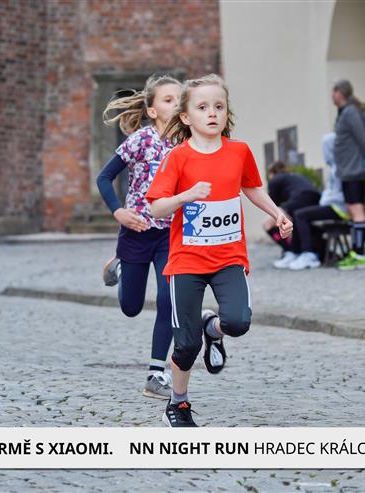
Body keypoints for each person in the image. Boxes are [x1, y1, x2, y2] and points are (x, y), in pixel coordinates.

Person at [146, 74, 292, 427]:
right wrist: (185, 196)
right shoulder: (178, 158)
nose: (212, 113)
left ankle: (212, 329)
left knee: (238, 322)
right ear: (186, 117)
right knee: (186, 345)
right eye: (202, 107)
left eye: (219, 106)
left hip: (229, 258)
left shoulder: (239, 152)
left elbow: (251, 187)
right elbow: (156, 208)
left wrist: (277, 213)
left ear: (226, 112)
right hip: (186, 262)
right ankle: (178, 403)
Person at [96, 74, 181, 399]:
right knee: (131, 307)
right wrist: (118, 211)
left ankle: (155, 374)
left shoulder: (186, 144)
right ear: (152, 110)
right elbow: (104, 178)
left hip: (169, 234)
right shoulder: (140, 140)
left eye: (179, 99)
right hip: (136, 231)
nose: (176, 105)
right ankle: (119, 264)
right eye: (168, 100)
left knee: (168, 299)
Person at [284, 133, 350, 270]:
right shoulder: (337, 166)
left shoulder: (339, 167)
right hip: (334, 206)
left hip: (339, 208)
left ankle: (308, 254)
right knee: (301, 214)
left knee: (300, 215)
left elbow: (340, 194)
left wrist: (325, 199)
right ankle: (298, 252)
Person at [332, 79, 365, 270]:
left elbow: (364, 140)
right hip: (347, 172)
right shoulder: (345, 112)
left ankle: (360, 255)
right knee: (352, 210)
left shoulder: (351, 112)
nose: (332, 96)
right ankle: (355, 252)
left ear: (339, 93)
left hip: (354, 171)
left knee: (357, 210)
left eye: (333, 92)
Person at [262, 160, 320, 268]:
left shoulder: (275, 179)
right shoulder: (294, 175)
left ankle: (291, 252)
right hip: (315, 199)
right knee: (296, 218)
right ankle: (298, 251)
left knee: (267, 223)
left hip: (299, 198)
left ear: (272, 173)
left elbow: (273, 204)